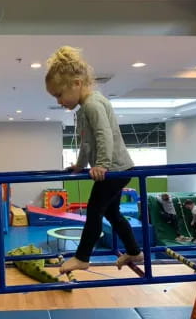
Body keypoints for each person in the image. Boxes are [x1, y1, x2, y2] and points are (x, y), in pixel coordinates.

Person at [45, 46, 143, 273]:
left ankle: (82, 257)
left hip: (114, 170)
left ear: (77, 83)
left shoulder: (92, 104)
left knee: (94, 211)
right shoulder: (86, 106)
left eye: (59, 94)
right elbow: (87, 142)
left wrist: (102, 165)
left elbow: (103, 134)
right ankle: (134, 251)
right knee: (111, 212)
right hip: (117, 168)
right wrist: (80, 165)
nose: (59, 101)